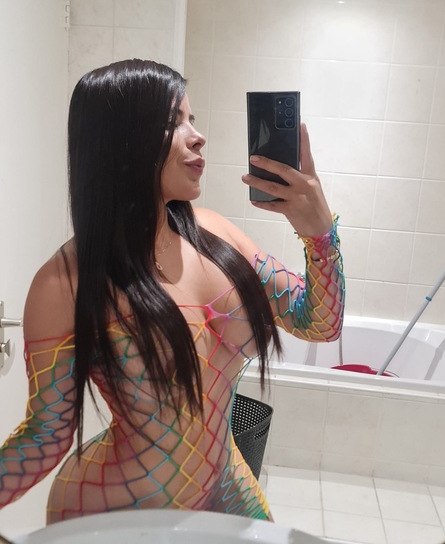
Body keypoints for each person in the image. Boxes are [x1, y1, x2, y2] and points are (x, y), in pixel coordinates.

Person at [0, 59, 344, 524]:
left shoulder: (217, 235)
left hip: (227, 488)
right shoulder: (65, 282)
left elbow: (321, 324)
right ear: (119, 142)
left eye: (191, 119)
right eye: (172, 122)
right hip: (111, 510)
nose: (197, 136)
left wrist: (320, 235)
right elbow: (46, 435)